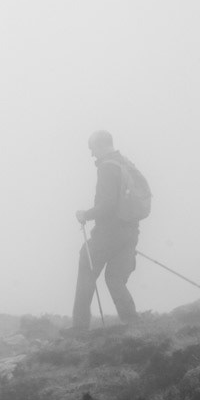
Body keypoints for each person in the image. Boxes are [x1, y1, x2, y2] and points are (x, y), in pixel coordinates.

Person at [67, 130, 140, 335]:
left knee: (86, 262)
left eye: (92, 149)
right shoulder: (124, 164)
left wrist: (85, 214)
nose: (92, 154)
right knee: (115, 277)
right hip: (131, 231)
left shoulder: (107, 168)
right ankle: (132, 323)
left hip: (110, 232)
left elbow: (107, 204)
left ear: (100, 145)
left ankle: (80, 327)